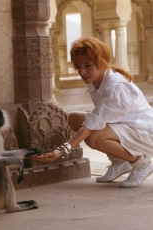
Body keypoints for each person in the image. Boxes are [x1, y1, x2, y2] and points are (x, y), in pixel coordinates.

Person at [33, 37, 153, 188]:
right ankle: (120, 162)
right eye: (78, 66)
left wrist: (61, 151)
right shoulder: (97, 80)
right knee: (74, 118)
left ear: (101, 62)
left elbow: (90, 126)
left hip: (145, 133)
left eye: (88, 65)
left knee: (93, 137)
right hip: (125, 127)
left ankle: (142, 164)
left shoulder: (115, 87)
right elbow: (95, 120)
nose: (82, 72)